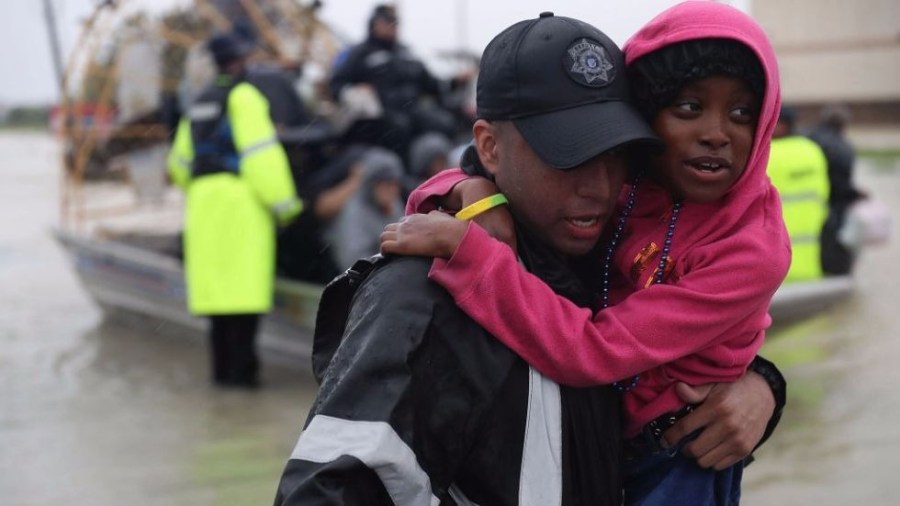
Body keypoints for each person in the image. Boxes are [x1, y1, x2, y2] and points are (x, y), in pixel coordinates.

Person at [275, 12, 784, 505]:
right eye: (568, 156)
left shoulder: (595, 239)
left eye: (615, 154)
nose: (599, 188)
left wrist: (762, 383)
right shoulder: (422, 296)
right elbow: (330, 487)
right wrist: (469, 204)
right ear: (490, 148)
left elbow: (625, 340)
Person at [167, 33, 303, 388]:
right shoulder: (245, 97)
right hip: (240, 212)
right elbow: (262, 159)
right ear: (242, 62)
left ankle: (221, 392)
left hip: (202, 209)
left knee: (218, 319)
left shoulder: (199, 101)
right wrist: (287, 208)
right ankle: (243, 398)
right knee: (244, 315)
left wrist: (204, 190)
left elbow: (179, 165)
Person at [328, 3, 471, 158]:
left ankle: (449, 167)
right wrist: (355, 90)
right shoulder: (360, 53)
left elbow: (432, 84)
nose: (392, 26)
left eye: (394, 21)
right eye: (386, 21)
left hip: (412, 109)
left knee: (444, 122)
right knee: (399, 128)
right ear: (375, 23)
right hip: (381, 115)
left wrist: (455, 81)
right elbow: (336, 84)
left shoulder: (406, 53)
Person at [767, 105, 830, 282]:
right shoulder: (812, 150)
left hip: (772, 270)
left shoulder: (767, 153)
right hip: (810, 267)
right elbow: (824, 197)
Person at [808, 104, 867, 275]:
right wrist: (856, 194)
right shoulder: (844, 148)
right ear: (844, 124)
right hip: (832, 206)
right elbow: (840, 185)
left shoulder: (809, 137)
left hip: (809, 204)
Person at [324, 147, 406, 269]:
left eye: (394, 184)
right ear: (371, 184)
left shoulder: (395, 204)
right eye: (385, 183)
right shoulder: (354, 210)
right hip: (356, 279)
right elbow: (353, 262)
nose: (391, 190)